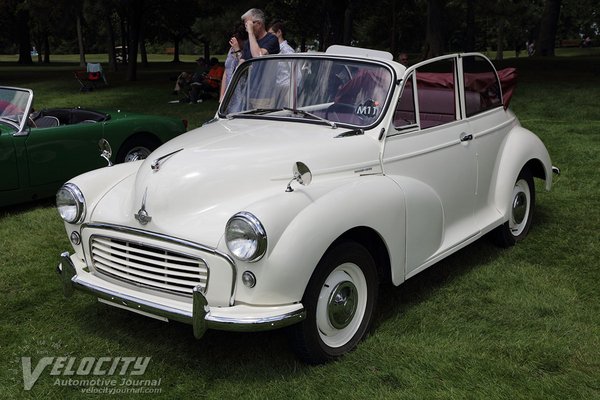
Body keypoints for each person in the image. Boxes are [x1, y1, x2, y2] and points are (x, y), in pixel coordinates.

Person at [220, 24, 248, 101]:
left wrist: (237, 50)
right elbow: (226, 72)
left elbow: (245, 67)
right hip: (229, 94)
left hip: (242, 95)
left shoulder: (247, 50)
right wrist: (222, 95)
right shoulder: (231, 50)